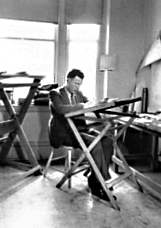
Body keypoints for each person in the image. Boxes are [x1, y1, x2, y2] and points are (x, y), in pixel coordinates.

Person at [49, 68, 114, 201]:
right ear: (67, 80)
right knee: (95, 144)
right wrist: (83, 105)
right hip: (65, 134)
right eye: (75, 83)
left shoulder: (79, 94)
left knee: (107, 140)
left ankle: (96, 178)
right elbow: (61, 109)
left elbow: (88, 104)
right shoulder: (55, 94)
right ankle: (98, 185)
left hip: (80, 130)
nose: (77, 87)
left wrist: (100, 104)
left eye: (80, 84)